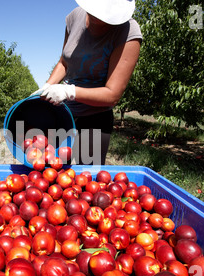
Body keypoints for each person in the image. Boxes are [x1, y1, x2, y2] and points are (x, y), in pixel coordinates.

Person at [32, 0, 142, 165]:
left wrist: (69, 91)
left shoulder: (128, 32)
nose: (98, 19)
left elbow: (112, 94)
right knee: (51, 169)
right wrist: (48, 86)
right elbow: (64, 62)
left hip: (95, 117)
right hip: (64, 112)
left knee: (88, 177)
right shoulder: (75, 17)